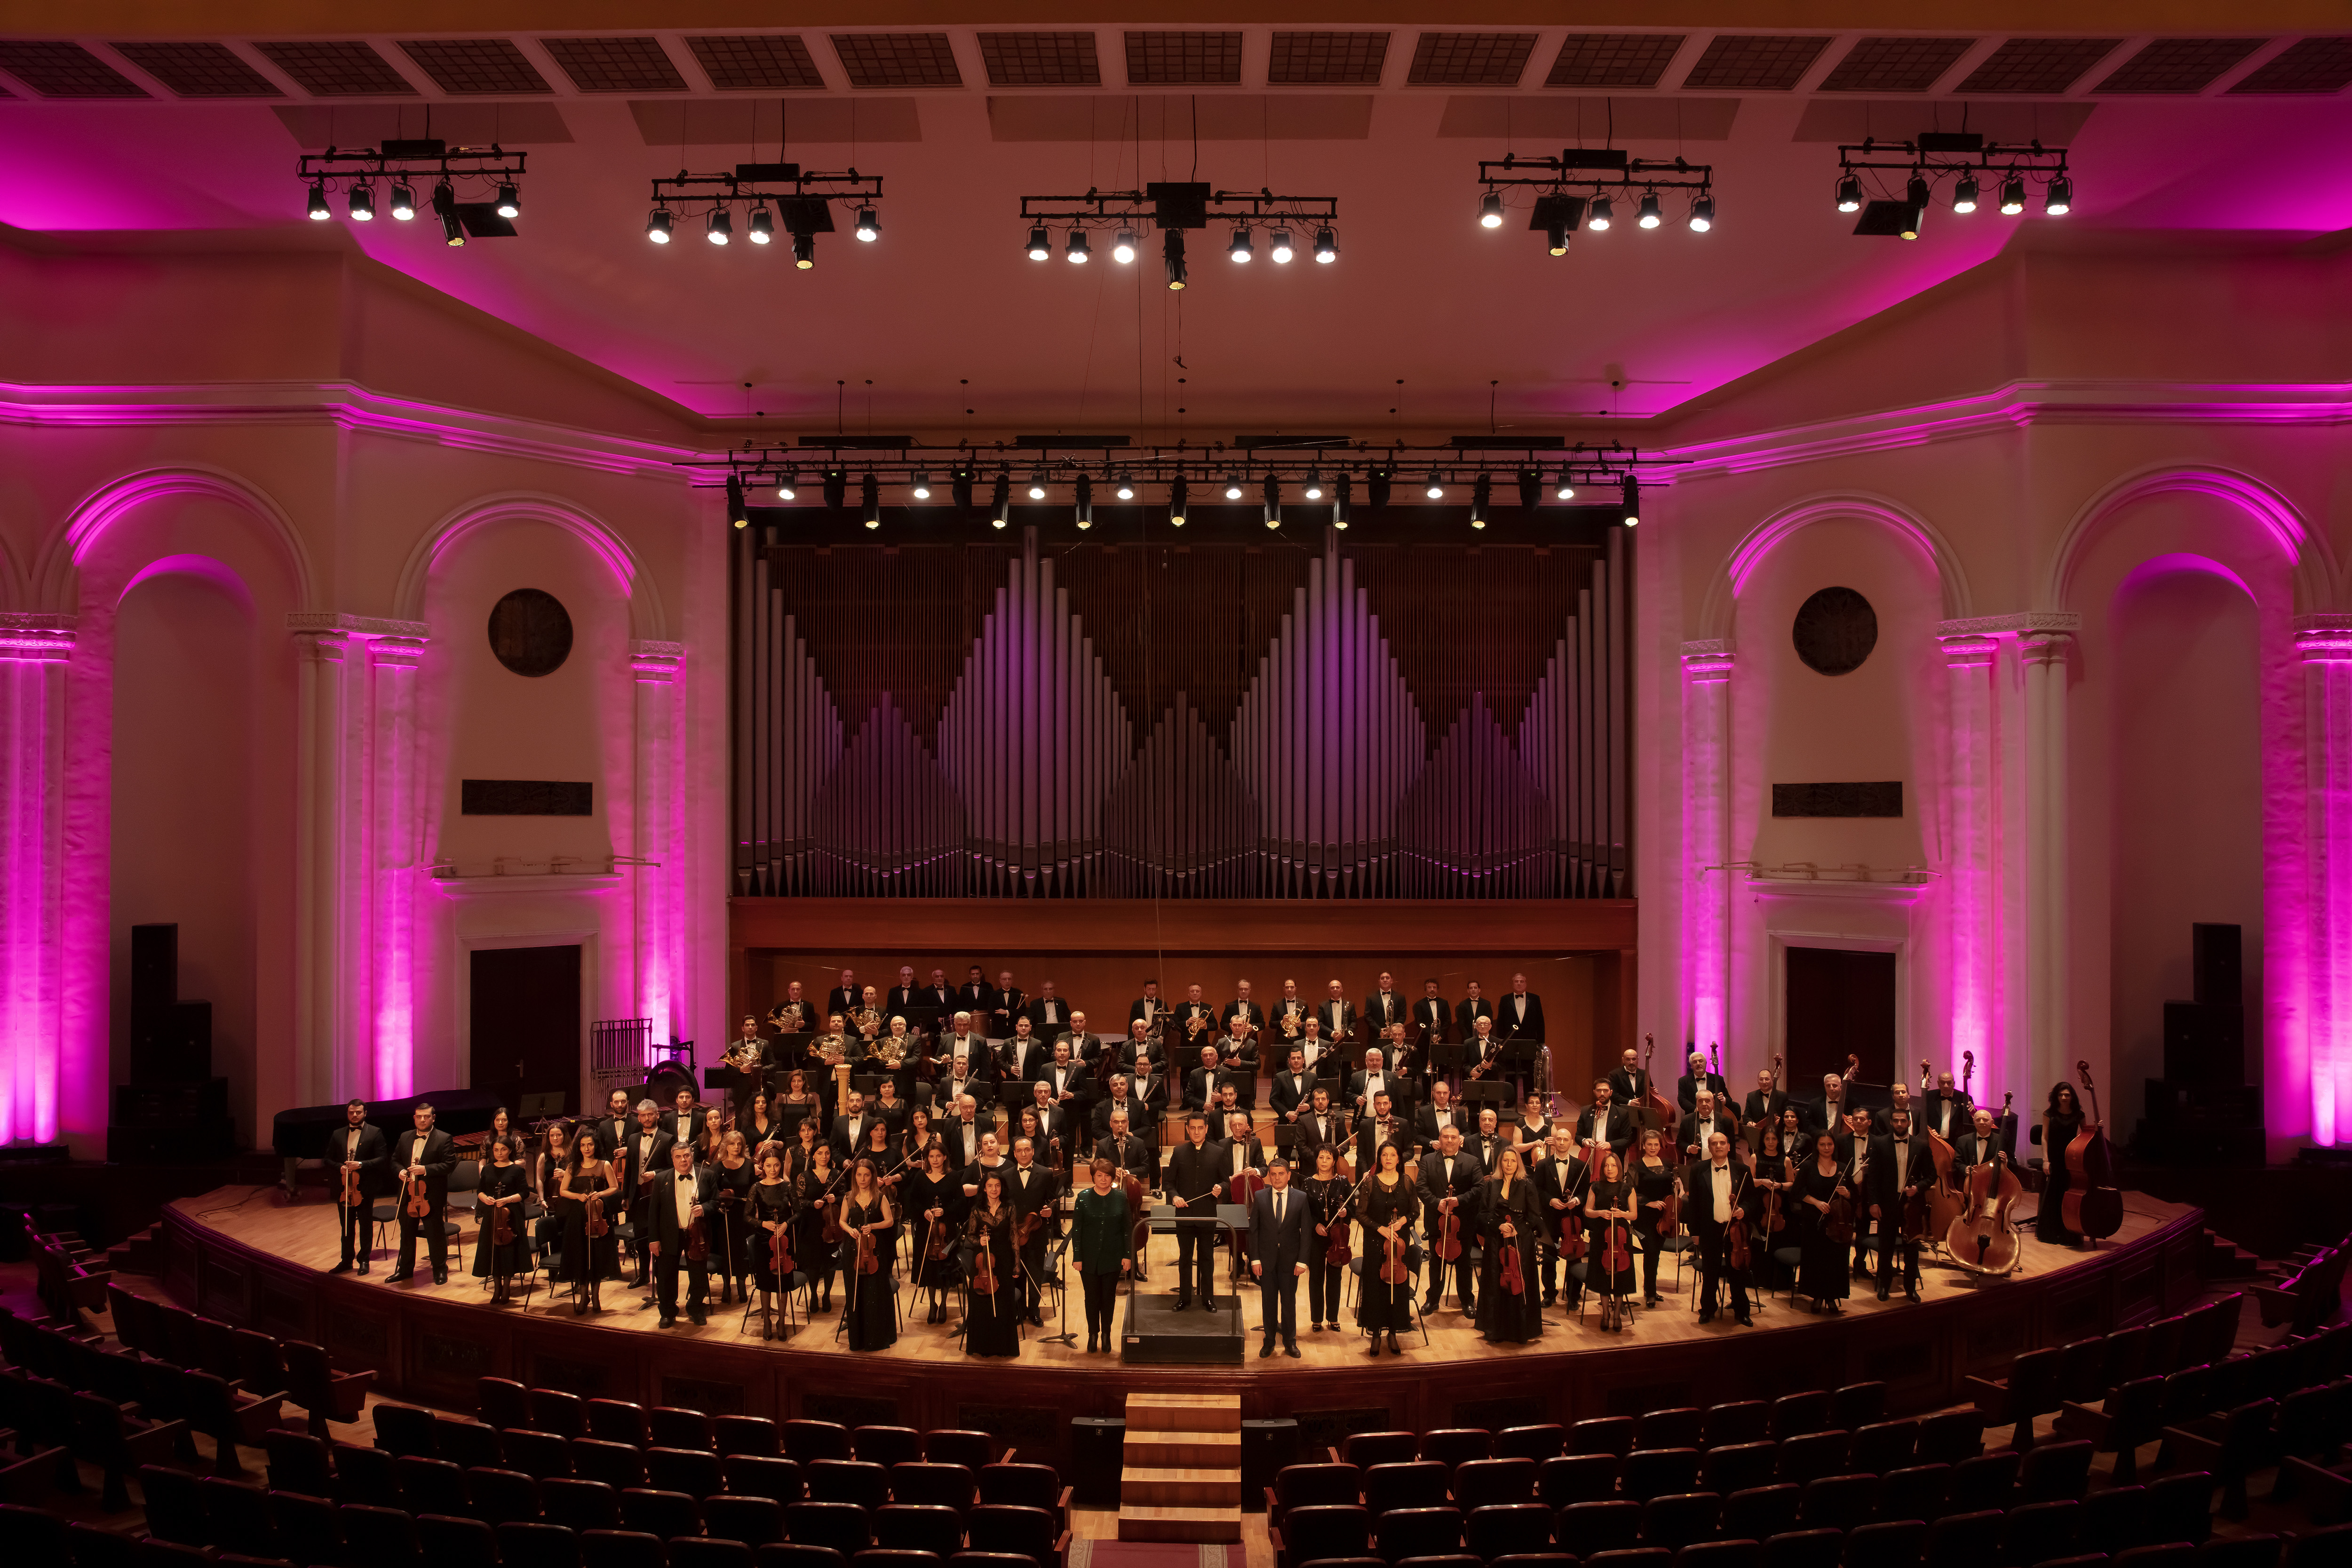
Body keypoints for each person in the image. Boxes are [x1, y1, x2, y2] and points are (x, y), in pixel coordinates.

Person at [1475, 1146, 1544, 1344]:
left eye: (1513, 1161)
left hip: (1520, 1241)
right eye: (1505, 1160)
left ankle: (1520, 1331)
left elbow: (1534, 1217)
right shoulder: (1492, 1184)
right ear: (1500, 1163)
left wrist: (1517, 1230)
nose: (1509, 1164)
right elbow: (1482, 1214)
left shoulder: (1527, 1184)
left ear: (1518, 1163)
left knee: (1520, 1283)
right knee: (1495, 1284)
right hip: (1496, 1240)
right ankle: (1495, 1331)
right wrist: (1499, 1225)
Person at [1687, 1130, 1755, 1326]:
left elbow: (1753, 1199)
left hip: (1736, 1230)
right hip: (1710, 1229)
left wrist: (1744, 1210)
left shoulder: (1742, 1170)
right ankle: (1708, 1310)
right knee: (1710, 1272)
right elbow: (1694, 1204)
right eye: (1714, 1143)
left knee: (1737, 1272)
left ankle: (1742, 1311)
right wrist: (1694, 1232)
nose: (1718, 1146)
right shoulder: (1698, 1170)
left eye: (1722, 1143)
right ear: (1709, 1148)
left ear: (1729, 1146)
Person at [647, 1143, 717, 1329]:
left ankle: (696, 1309)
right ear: (673, 1160)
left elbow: (716, 1201)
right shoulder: (662, 1178)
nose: (683, 1160)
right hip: (670, 1233)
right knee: (666, 1275)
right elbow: (654, 1211)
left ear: (692, 1156)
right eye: (678, 1157)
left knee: (699, 1274)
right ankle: (668, 1312)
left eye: (686, 1155)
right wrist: (654, 1239)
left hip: (697, 1234)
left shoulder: (707, 1175)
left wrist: (705, 1208)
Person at [1070, 1157, 1135, 1353]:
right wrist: (1077, 1257)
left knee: (1108, 1298)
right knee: (1091, 1298)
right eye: (1100, 1176)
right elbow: (1077, 1230)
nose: (1104, 1180)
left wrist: (1128, 1255)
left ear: (1113, 1178)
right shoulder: (1083, 1198)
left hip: (1113, 1256)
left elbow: (1127, 1229)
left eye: (1107, 1176)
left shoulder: (1121, 1197)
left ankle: (1106, 1334)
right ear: (1093, 1177)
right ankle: (1093, 1334)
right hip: (1088, 1258)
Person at [1358, 1141, 1416, 1355]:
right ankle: (1376, 1334)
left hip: (1399, 1245)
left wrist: (1403, 1221)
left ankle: (1393, 1333)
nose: (1389, 1159)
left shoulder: (1407, 1181)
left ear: (1399, 1159)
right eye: (1385, 1155)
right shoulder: (1370, 1182)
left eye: (1393, 1155)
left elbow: (1415, 1212)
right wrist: (1380, 1228)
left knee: (1397, 1287)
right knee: (1375, 1289)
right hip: (1375, 1243)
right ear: (1379, 1159)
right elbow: (1360, 1214)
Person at [388, 1103, 456, 1285]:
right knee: (407, 1233)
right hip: (407, 1194)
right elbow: (394, 1161)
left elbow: (449, 1164)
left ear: (434, 1118)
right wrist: (401, 1172)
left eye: (426, 1117)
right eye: (419, 1117)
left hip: (430, 1196)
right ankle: (405, 1270)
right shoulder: (405, 1137)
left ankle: (440, 1270)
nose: (423, 1120)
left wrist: (425, 1169)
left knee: (435, 1234)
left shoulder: (444, 1138)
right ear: (414, 1118)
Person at [1248, 1157, 1310, 1358]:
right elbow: (1254, 1231)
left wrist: (1302, 1261)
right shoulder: (1260, 1196)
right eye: (1273, 1174)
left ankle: (1290, 1342)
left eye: (1281, 1174)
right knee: (1269, 1303)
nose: (1277, 1178)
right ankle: (1269, 1341)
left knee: (1289, 1303)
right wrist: (1255, 1259)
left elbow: (1306, 1233)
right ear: (1269, 1176)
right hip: (1266, 1261)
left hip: (1291, 1262)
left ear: (1289, 1175)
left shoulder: (1301, 1198)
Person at [557, 1127, 622, 1314]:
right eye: (583, 1145)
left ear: (596, 1146)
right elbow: (563, 1191)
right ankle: (584, 1296)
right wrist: (578, 1196)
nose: (587, 1149)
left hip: (598, 1215)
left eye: (590, 1145)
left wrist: (600, 1194)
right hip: (578, 1217)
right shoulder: (573, 1167)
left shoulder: (604, 1165)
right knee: (581, 1255)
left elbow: (614, 1187)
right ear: (579, 1148)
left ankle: (596, 1297)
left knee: (597, 1256)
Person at [1165, 1112, 1226, 1311]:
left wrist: (1220, 1188)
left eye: (1201, 1128)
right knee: (1185, 1258)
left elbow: (1226, 1182)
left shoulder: (1218, 1152)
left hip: (1207, 1215)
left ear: (1206, 1129)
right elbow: (1169, 1183)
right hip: (1184, 1216)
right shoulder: (1179, 1152)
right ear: (1187, 1129)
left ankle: (1208, 1298)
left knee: (1207, 1258)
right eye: (1193, 1128)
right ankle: (1185, 1298)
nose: (1197, 1132)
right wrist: (1175, 1197)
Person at [1419, 1126, 1482, 1316]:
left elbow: (1479, 1188)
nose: (1449, 1141)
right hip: (1436, 1222)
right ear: (1439, 1139)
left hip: (1463, 1222)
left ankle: (1467, 1301)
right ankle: (1432, 1300)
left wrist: (1459, 1200)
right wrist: (1436, 1203)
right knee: (1436, 1263)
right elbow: (1421, 1187)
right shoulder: (1428, 1160)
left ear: (1459, 1140)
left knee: (1464, 1263)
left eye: (1453, 1137)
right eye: (1445, 1137)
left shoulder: (1472, 1161)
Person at [837, 1159, 899, 1351]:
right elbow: (842, 1221)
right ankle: (858, 1339)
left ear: (872, 1177)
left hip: (874, 1250)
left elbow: (889, 1221)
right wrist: (850, 1230)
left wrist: (872, 1226)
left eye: (867, 1175)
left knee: (874, 1293)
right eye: (859, 1175)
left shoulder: (880, 1197)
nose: (862, 1179)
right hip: (853, 1251)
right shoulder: (848, 1197)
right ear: (854, 1177)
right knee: (855, 1292)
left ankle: (876, 1338)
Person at [1870, 1106, 1931, 1302]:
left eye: (1903, 1121)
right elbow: (1873, 1178)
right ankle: (1884, 1286)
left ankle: (1910, 1289)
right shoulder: (1880, 1143)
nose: (1899, 1124)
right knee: (1885, 1248)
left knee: (1912, 1249)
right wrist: (1874, 1203)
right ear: (1891, 1122)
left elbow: (1932, 1176)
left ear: (1909, 1123)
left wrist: (1918, 1188)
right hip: (1887, 1204)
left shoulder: (1921, 1145)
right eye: (1896, 1121)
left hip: (1912, 1205)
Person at [905, 1141, 968, 1326]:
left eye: (938, 1156)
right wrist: (924, 1211)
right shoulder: (920, 1176)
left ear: (945, 1157)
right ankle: (932, 1304)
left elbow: (961, 1201)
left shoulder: (953, 1176)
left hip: (947, 1230)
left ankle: (944, 1304)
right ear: (927, 1158)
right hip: (927, 1231)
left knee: (945, 1266)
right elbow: (912, 1201)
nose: (935, 1160)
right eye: (931, 1156)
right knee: (929, 1268)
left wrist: (945, 1211)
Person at [325, 1098, 386, 1276]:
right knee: (346, 1226)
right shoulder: (337, 1134)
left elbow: (382, 1158)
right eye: (351, 1112)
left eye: (358, 1112)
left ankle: (364, 1260)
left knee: (366, 1226)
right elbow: (327, 1159)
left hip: (364, 1188)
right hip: (344, 1188)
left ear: (365, 1114)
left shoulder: (375, 1132)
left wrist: (361, 1164)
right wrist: (340, 1167)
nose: (355, 1115)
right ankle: (346, 1261)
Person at [1795, 1131, 1854, 1313]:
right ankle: (1817, 1296)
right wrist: (1817, 1203)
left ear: (1834, 1146)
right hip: (1815, 1222)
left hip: (1838, 1223)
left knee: (1836, 1261)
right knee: (1816, 1260)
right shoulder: (1808, 1167)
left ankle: (1832, 1297)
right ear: (1817, 1146)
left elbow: (1855, 1195)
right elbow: (1797, 1192)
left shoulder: (1843, 1167)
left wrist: (1847, 1193)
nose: (1827, 1148)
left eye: (1830, 1144)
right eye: (1822, 1145)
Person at [963, 1170, 1020, 1357]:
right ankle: (983, 1347)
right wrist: (979, 1241)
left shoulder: (1010, 1207)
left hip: (1003, 1260)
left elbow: (1014, 1236)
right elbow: (969, 1237)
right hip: (983, 1262)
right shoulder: (976, 1210)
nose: (994, 1189)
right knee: (983, 1304)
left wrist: (1017, 1263)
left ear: (1002, 1187)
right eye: (990, 1186)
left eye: (997, 1186)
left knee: (1003, 1304)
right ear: (984, 1189)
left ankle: (1003, 1348)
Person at [1006, 1136, 1060, 1326]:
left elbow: (1053, 1200)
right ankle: (1019, 1311)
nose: (1023, 1154)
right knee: (1017, 1274)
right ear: (1014, 1154)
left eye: (1027, 1150)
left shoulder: (1045, 1173)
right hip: (1015, 1234)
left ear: (1033, 1151)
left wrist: (1050, 1210)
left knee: (1036, 1274)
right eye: (1019, 1151)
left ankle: (1034, 1311)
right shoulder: (1006, 1175)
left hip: (1036, 1231)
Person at [471, 1135, 530, 1304]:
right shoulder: (488, 1169)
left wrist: (508, 1199)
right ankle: (497, 1289)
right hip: (492, 1215)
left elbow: (525, 1193)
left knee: (508, 1251)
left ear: (510, 1150)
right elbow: (481, 1190)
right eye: (496, 1150)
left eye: (503, 1149)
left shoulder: (517, 1170)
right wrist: (485, 1199)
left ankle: (506, 1289)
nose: (499, 1153)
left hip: (510, 1216)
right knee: (494, 1251)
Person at [1532, 1129, 1587, 1309]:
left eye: (1566, 1139)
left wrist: (1577, 1200)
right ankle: (1549, 1295)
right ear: (1553, 1141)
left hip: (1573, 1220)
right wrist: (1551, 1200)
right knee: (1549, 1258)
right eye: (1559, 1139)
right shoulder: (1542, 1165)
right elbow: (1537, 1190)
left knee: (1574, 1257)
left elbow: (1586, 1191)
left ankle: (1573, 1296)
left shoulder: (1581, 1166)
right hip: (1550, 1218)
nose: (1562, 1142)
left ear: (1572, 1143)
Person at [1583, 1150, 1638, 1319]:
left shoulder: (1628, 1189)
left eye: (1613, 1166)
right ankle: (1606, 1313)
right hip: (1601, 1235)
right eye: (1606, 1166)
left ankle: (1617, 1316)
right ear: (1602, 1168)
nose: (1610, 1169)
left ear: (1619, 1168)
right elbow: (1588, 1211)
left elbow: (1634, 1215)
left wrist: (1622, 1214)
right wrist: (1600, 1213)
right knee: (1603, 1275)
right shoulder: (1596, 1187)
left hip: (1621, 1237)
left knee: (1621, 1275)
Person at [749, 1147, 796, 1340]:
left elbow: (799, 1213)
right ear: (763, 1166)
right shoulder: (756, 1187)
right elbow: (747, 1216)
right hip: (764, 1240)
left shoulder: (787, 1186)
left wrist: (786, 1224)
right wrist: (763, 1224)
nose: (773, 1169)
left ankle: (782, 1323)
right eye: (769, 1166)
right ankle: (767, 1322)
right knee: (766, 1283)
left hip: (784, 1240)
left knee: (783, 1283)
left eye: (776, 1165)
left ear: (781, 1165)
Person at [1303, 1144, 1351, 1333]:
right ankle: (1316, 1319)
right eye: (1321, 1157)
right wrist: (1315, 1225)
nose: (1324, 1161)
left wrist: (1346, 1212)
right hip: (1316, 1237)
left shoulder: (1343, 1182)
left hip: (1337, 1239)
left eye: (1328, 1158)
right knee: (1315, 1278)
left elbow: (1353, 1208)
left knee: (1335, 1278)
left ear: (1335, 1161)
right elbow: (1304, 1212)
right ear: (1316, 1160)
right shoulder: (1308, 1183)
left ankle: (1333, 1317)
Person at [710, 1129, 757, 1305]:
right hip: (724, 1214)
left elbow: (754, 1189)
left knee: (741, 1249)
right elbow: (712, 1191)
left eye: (739, 1144)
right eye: (732, 1144)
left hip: (744, 1214)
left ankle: (742, 1284)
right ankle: (726, 1285)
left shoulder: (749, 1164)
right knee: (726, 1249)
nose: (736, 1147)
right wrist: (718, 1205)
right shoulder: (717, 1166)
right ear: (725, 1146)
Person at [1748, 1121, 1796, 1290]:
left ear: (1779, 1140)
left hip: (1779, 1208)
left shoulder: (1786, 1160)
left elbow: (1792, 1184)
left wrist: (1780, 1186)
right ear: (1763, 1140)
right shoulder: (1755, 1158)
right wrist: (1763, 1181)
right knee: (1759, 1244)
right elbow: (1750, 1182)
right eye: (1767, 1139)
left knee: (1778, 1243)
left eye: (1774, 1139)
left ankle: (1778, 1283)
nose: (1770, 1142)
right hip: (1760, 1207)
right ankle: (1758, 1280)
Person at [1630, 1128, 1675, 1308]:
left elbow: (1671, 1190)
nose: (1653, 1148)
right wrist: (1649, 1203)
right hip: (1644, 1216)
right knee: (1651, 1251)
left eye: (1656, 1144)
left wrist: (1677, 1189)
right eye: (1649, 1144)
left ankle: (1650, 1289)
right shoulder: (1636, 1166)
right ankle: (1650, 1292)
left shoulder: (1668, 1163)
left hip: (1664, 1217)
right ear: (1643, 1145)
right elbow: (1630, 1191)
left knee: (1655, 1253)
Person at [2037, 1082, 2086, 1246]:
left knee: (2069, 1196)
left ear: (2072, 1097)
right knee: (2053, 1195)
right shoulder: (2049, 1114)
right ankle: (2051, 1234)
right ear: (2056, 1097)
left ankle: (2068, 1233)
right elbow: (2044, 1138)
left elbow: (2087, 1135)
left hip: (2072, 1159)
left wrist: (2097, 1128)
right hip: (2054, 1159)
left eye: (2067, 1095)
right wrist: (2045, 1160)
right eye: (2061, 1095)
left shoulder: (2079, 1114)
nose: (2064, 1098)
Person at [796, 1143, 842, 1313]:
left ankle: (827, 1295)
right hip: (812, 1225)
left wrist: (836, 1199)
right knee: (813, 1264)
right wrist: (812, 1204)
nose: (824, 1157)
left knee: (830, 1263)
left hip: (832, 1225)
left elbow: (846, 1197)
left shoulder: (837, 1175)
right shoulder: (804, 1177)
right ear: (813, 1156)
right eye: (820, 1153)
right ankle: (814, 1295)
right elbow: (799, 1201)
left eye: (827, 1153)